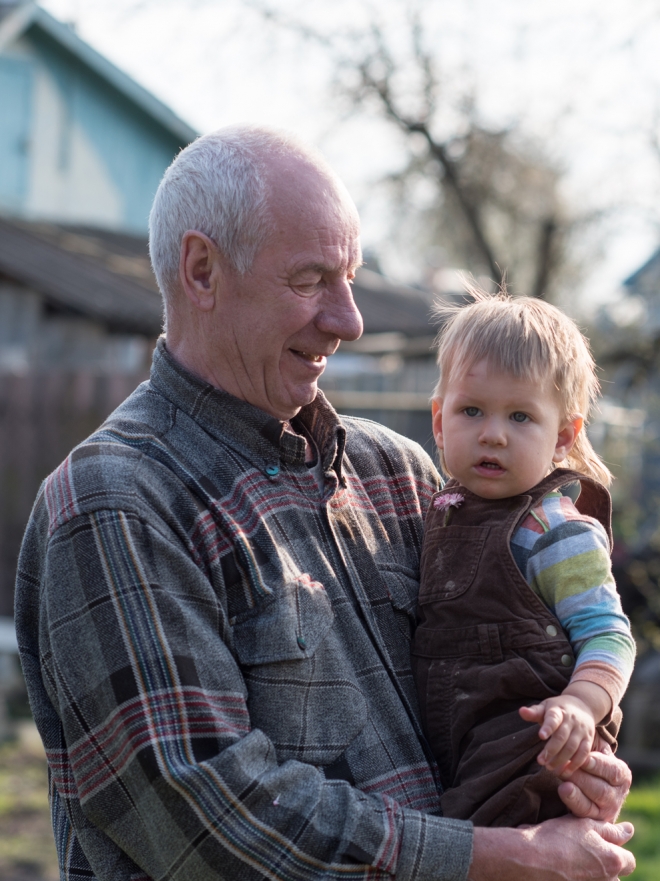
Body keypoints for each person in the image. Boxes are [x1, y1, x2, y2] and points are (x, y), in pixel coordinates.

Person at [14, 126, 635, 881]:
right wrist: (497, 858)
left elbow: (509, 675)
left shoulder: (401, 478)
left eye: (351, 277)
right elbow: (212, 820)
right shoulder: (116, 508)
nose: (350, 319)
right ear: (202, 270)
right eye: (312, 280)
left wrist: (561, 765)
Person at [412, 288, 635, 827]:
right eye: (472, 411)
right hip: (457, 746)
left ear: (563, 437)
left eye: (519, 416)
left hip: (534, 750)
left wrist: (583, 704)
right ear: (440, 423)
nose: (493, 434)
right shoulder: (435, 512)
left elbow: (609, 633)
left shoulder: (554, 533)